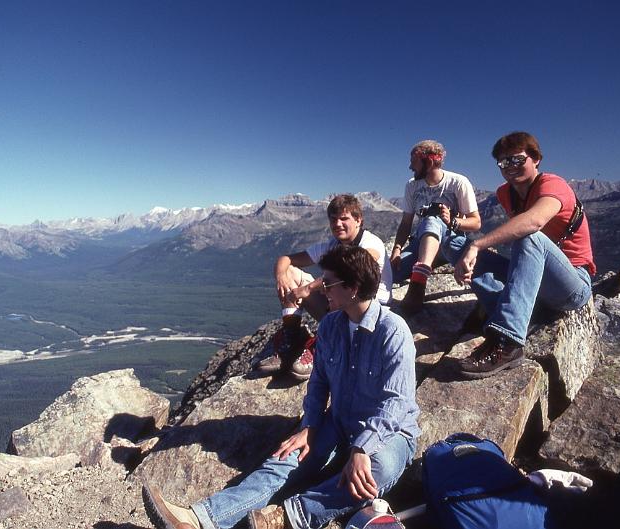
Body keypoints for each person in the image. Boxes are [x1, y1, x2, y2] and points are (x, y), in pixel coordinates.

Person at [143, 245, 419, 529]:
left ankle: (287, 517)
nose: (321, 289)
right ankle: (200, 519)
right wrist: (310, 425)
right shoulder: (331, 326)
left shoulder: (393, 332)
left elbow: (396, 403)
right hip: (338, 422)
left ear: (353, 287)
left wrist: (362, 448)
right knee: (286, 458)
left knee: (379, 470)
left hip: (389, 434)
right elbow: (319, 381)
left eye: (328, 283)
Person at [454, 131, 595, 379]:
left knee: (529, 236)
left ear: (536, 158)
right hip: (537, 277)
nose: (510, 167)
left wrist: (478, 246)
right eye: (503, 162)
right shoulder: (505, 194)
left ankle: (507, 341)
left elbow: (534, 222)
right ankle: (524, 311)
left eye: (517, 159)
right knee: (454, 244)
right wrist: (468, 249)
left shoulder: (553, 185)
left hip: (572, 284)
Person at [257, 194, 392, 380]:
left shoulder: (371, 243)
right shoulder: (332, 245)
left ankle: (322, 346)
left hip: (367, 313)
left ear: (359, 220)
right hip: (339, 305)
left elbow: (354, 269)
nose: (338, 224)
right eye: (333, 219)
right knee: (290, 273)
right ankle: (293, 337)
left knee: (344, 289)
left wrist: (309, 288)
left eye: (344, 218)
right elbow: (286, 259)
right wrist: (281, 277)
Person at [390, 140, 481, 314]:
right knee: (392, 274)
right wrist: (397, 249)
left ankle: (418, 282)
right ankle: (432, 258)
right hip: (421, 241)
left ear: (429, 162)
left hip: (450, 240)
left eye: (414, 162)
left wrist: (452, 221)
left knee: (432, 218)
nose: (410, 166)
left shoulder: (458, 182)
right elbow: (406, 223)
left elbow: (476, 222)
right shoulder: (412, 185)